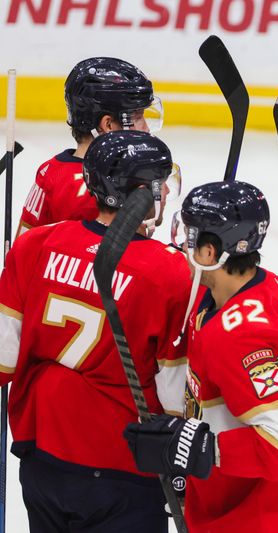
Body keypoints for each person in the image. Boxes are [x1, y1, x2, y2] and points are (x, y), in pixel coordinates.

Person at [123, 180, 278, 532]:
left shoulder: (240, 336)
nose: (183, 244)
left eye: (192, 237)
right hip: (274, 507)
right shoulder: (261, 284)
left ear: (211, 253)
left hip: (273, 517)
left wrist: (197, 447)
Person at [0, 130, 189, 532]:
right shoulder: (169, 271)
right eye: (162, 183)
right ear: (143, 192)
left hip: (41, 458)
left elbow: (2, 359)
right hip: (122, 466)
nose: (168, 193)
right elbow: (176, 391)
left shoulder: (35, 245)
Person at [17, 56, 164, 237]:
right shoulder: (102, 188)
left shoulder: (49, 170)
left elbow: (20, 250)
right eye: (138, 117)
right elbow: (126, 258)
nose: (146, 128)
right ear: (108, 125)